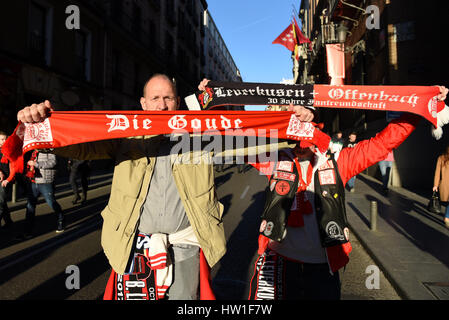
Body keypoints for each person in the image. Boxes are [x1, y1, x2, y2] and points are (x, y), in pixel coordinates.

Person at [16, 74, 316, 300]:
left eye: (169, 98)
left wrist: (293, 121)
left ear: (177, 101)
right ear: (143, 104)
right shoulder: (123, 133)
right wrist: (40, 127)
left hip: (187, 245)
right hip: (134, 245)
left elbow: (249, 137)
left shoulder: (199, 133)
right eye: (155, 99)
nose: (162, 105)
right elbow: (80, 145)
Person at [248, 86, 448, 300]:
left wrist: (417, 109)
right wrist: (208, 103)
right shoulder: (275, 158)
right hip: (280, 263)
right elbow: (234, 137)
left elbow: (383, 143)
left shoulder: (339, 161)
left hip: (324, 266)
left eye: (304, 124)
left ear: (313, 123)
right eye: (293, 126)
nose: (299, 137)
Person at [18, 149, 65, 238]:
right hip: (33, 181)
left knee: (51, 202)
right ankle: (28, 231)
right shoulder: (31, 151)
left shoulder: (49, 149)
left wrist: (36, 164)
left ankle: (61, 219)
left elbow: (53, 162)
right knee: (30, 206)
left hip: (45, 181)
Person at [433, 145, 449, 228]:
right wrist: (435, 185)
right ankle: (446, 217)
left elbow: (437, 173)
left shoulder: (441, 158)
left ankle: (446, 216)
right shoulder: (441, 158)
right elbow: (437, 172)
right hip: (445, 184)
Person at [0, 131, 14, 230]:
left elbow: (14, 167)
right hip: (0, 177)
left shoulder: (10, 150)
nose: (4, 141)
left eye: (5, 139)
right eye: (1, 139)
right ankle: (9, 222)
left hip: (6, 180)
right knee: (2, 202)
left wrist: (8, 179)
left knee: (0, 203)